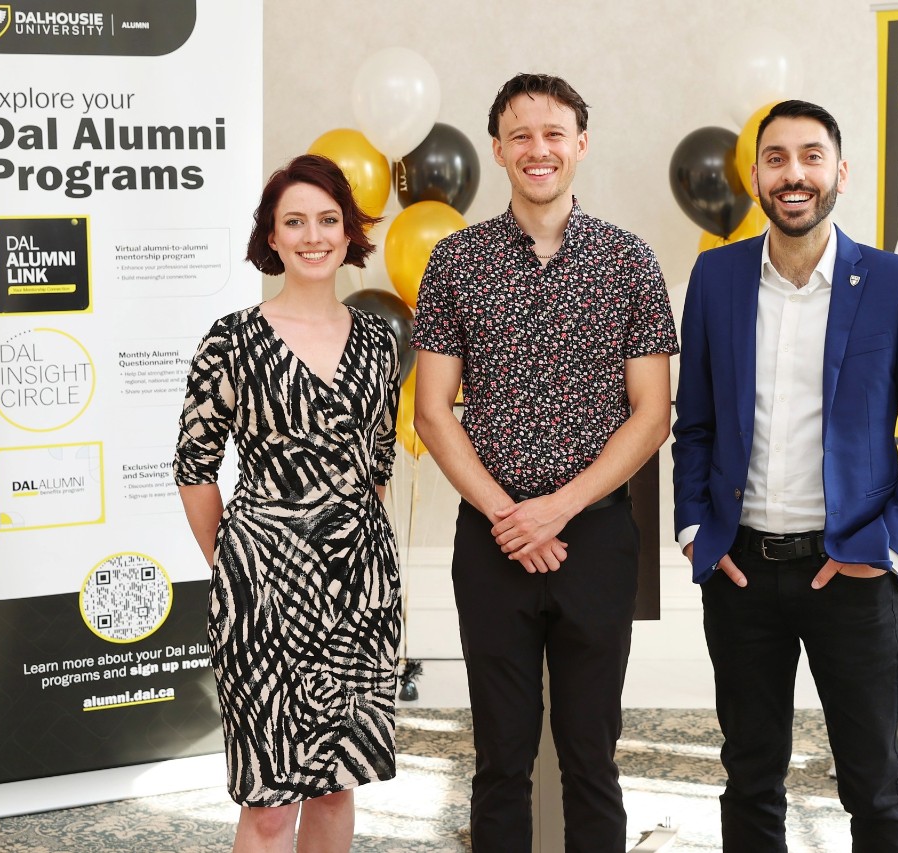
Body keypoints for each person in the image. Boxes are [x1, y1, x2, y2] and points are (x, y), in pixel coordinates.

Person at [671, 100, 898, 853]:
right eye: (775, 158)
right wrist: (700, 530)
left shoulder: (897, 285)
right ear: (757, 174)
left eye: (810, 156)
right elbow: (694, 424)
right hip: (741, 575)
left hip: (853, 577)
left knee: (873, 783)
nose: (793, 173)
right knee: (751, 775)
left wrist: (886, 546)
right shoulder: (716, 277)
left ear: (840, 172)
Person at [410, 73, 678, 853]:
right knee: (499, 757)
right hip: (491, 540)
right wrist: (509, 514)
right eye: (521, 135)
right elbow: (433, 410)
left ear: (581, 145)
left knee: (593, 755)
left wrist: (556, 509)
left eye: (555, 133)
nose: (539, 149)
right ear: (497, 149)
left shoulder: (629, 261)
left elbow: (651, 414)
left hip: (594, 538)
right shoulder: (455, 263)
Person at [174, 154, 401, 853]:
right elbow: (194, 466)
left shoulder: (379, 342)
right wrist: (239, 561)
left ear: (348, 231)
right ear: (270, 237)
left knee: (336, 783)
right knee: (270, 802)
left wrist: (360, 561)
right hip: (262, 592)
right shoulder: (231, 339)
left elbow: (379, 468)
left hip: (361, 591)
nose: (313, 234)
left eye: (328, 219)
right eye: (294, 221)